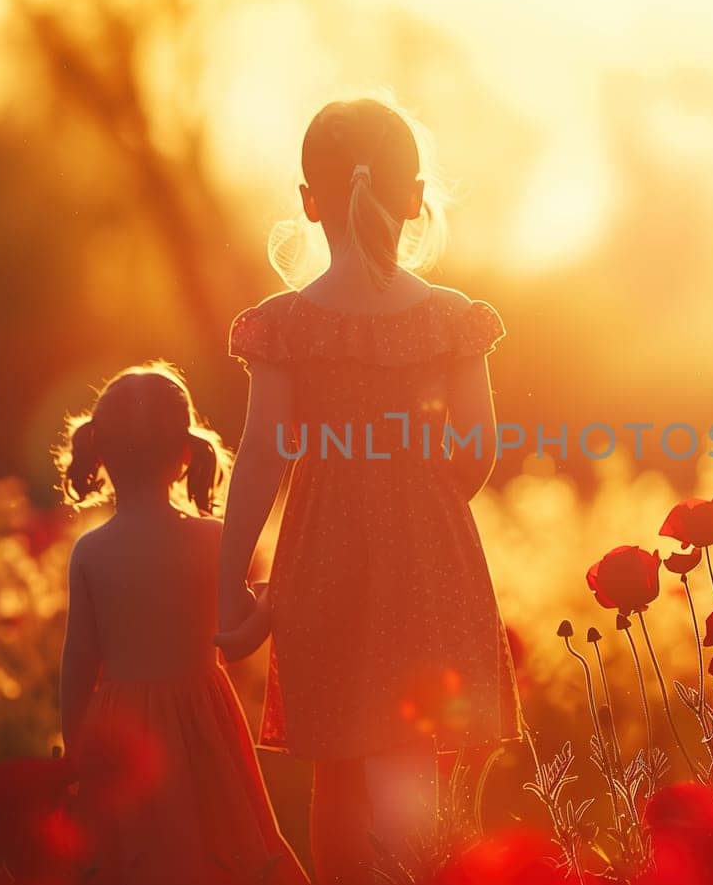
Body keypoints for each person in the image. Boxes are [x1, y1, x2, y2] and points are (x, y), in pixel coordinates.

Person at [218, 97, 520, 884]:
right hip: (431, 552)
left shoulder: (285, 325)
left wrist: (227, 581)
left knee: (336, 763)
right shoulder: (454, 319)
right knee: (411, 756)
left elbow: (259, 454)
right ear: (416, 195)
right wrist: (423, 499)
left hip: (323, 557)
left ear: (308, 201)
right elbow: (481, 445)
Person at [56, 362, 308, 885]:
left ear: (98, 456)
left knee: (137, 854)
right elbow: (237, 639)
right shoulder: (213, 540)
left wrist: (77, 753)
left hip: (120, 731)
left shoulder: (92, 552)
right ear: (187, 454)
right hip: (204, 722)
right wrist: (267, 601)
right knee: (226, 842)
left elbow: (78, 664)